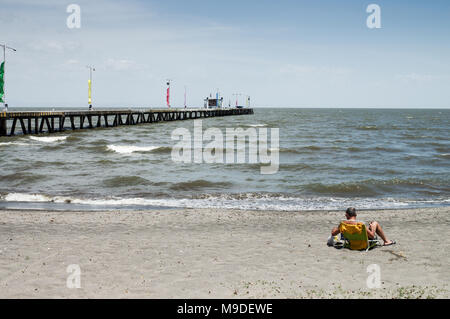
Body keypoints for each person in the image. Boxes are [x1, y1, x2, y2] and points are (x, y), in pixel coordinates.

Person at [331, 207, 396, 246]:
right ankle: (386, 241)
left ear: (346, 215)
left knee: (368, 228)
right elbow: (372, 236)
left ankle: (386, 240)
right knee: (375, 223)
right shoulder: (361, 225)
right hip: (363, 245)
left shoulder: (343, 224)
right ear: (355, 214)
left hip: (351, 244)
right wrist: (372, 229)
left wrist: (335, 228)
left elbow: (333, 233)